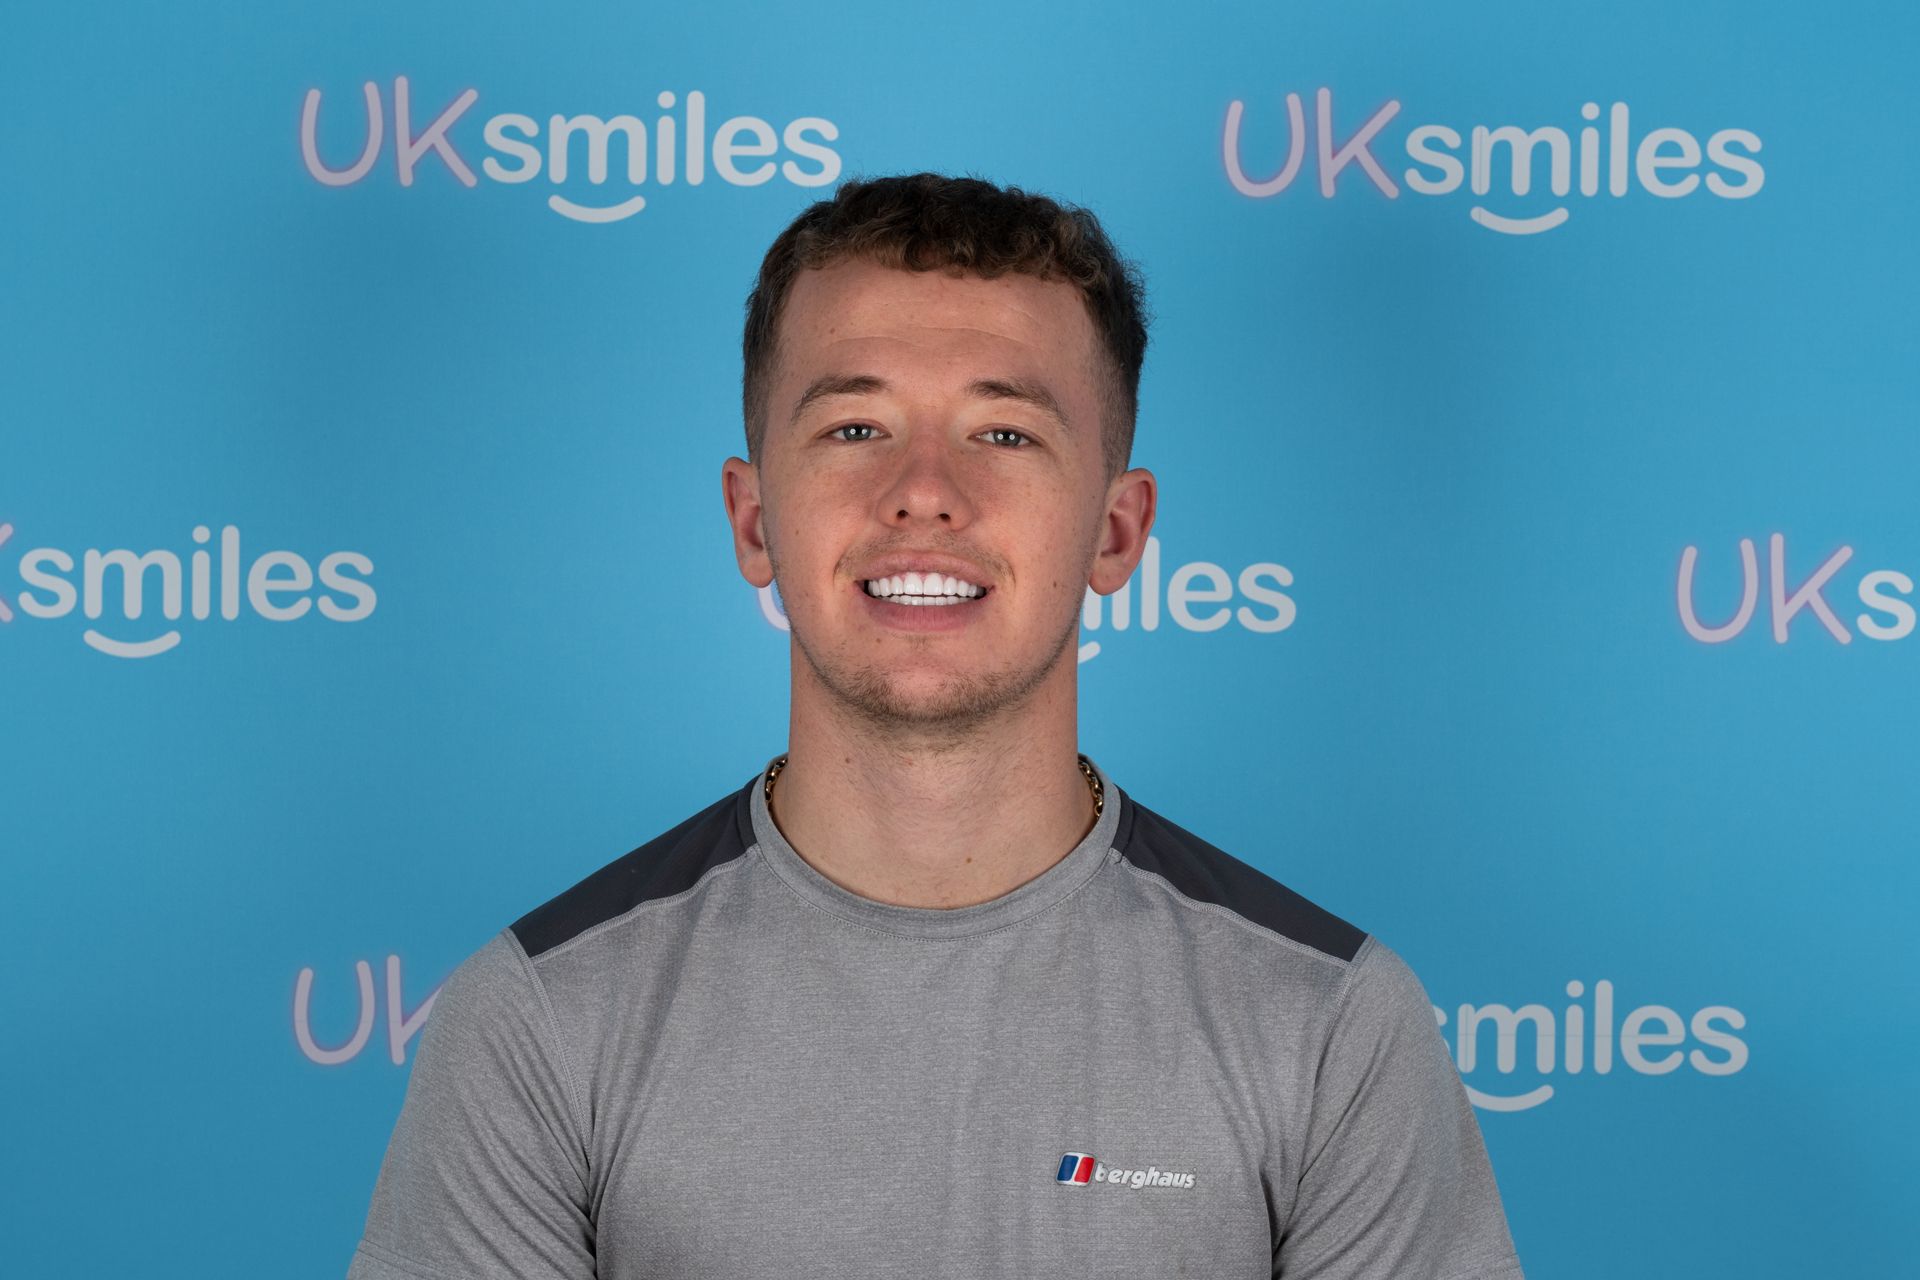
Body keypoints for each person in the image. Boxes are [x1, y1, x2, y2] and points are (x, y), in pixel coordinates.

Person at [345, 172, 1525, 1279]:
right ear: (754, 518)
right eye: (855, 428)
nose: (922, 488)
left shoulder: (1329, 1024)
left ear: (1117, 531)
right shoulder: (540, 1021)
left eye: (1003, 432)